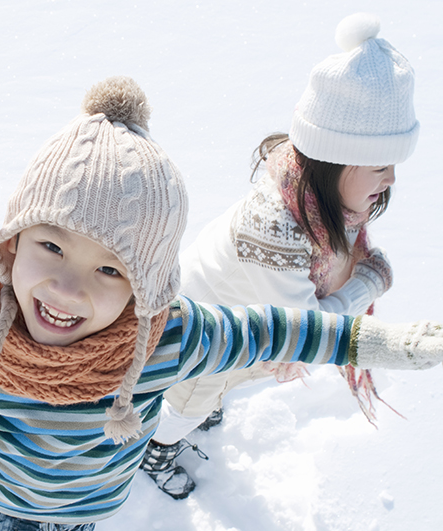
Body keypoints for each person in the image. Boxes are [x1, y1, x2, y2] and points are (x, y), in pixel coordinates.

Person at [0, 75, 441, 531]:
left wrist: (377, 342)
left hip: (67, 521)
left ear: (146, 289)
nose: (68, 288)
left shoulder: (169, 337)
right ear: (14, 242)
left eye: (111, 268)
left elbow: (275, 330)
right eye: (49, 247)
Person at [142, 12, 420, 500]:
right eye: (380, 166)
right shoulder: (276, 231)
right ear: (335, 162)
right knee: (186, 405)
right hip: (200, 338)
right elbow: (304, 333)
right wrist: (367, 283)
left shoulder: (315, 204)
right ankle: (156, 447)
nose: (391, 180)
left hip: (243, 323)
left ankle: (203, 406)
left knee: (216, 390)